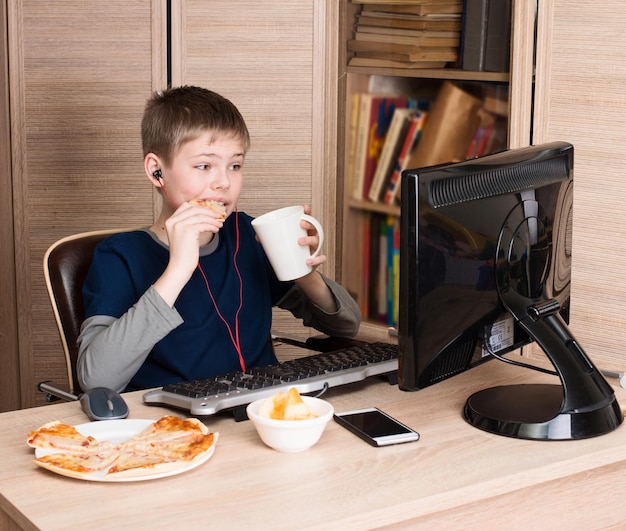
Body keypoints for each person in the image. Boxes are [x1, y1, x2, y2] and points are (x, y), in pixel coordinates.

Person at [77, 86, 361, 392]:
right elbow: (96, 380)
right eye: (204, 166)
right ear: (157, 171)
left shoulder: (248, 234)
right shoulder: (120, 256)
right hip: (172, 426)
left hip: (263, 410)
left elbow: (346, 325)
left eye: (235, 166)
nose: (224, 182)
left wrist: (304, 273)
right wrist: (178, 270)